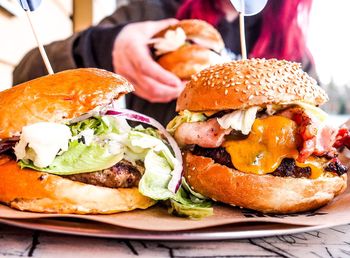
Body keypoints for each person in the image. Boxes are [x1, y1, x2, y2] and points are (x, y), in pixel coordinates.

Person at [13, 0, 315, 125]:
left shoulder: (293, 51)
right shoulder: (152, 13)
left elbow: (315, 122)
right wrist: (102, 47)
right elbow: (25, 73)